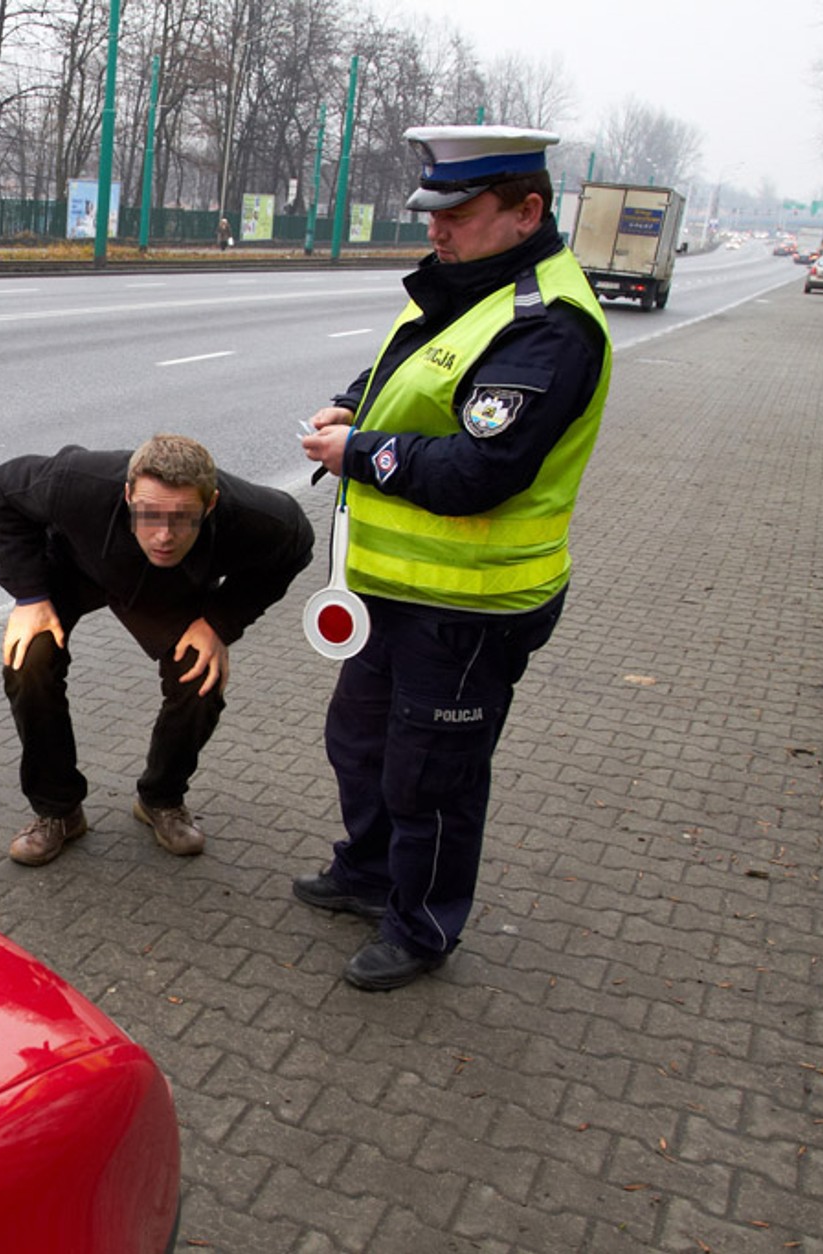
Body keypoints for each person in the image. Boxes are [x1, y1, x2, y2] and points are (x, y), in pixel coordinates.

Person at [295, 125, 613, 991]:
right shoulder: (465, 286)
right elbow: (406, 368)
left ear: (526, 211)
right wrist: (345, 404)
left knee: (430, 776)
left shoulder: (550, 324)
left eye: (460, 214)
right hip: (389, 590)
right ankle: (365, 875)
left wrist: (355, 452)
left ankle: (423, 926)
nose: (437, 230)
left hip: (471, 607)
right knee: (357, 742)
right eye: (432, 212)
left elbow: (481, 470)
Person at [0, 435, 313, 866]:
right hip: (78, 566)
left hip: (172, 588)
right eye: (149, 514)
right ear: (127, 495)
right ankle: (58, 811)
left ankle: (161, 798)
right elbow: (5, 492)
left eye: (182, 518)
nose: (163, 535)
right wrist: (29, 595)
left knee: (201, 674)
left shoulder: (259, 518)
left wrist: (219, 622)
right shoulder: (75, 483)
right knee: (28, 658)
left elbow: (297, 549)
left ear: (210, 504)